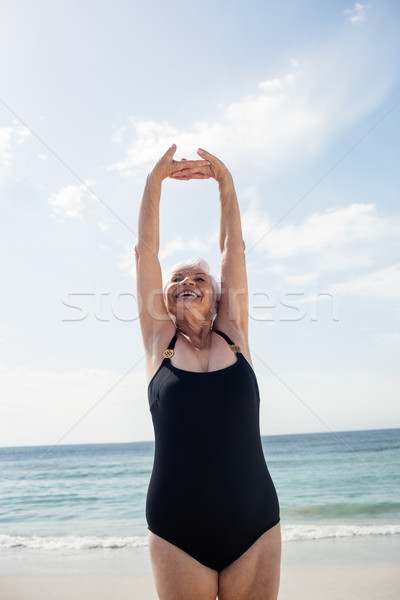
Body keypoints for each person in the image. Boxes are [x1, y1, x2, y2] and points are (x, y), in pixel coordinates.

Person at [135, 145, 281, 600]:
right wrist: (154, 183)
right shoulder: (161, 343)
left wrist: (226, 182)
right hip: (177, 530)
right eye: (177, 279)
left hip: (254, 523)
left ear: (219, 298)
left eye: (199, 278)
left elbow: (231, 247)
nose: (186, 283)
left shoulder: (234, 333)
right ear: (164, 299)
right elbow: (145, 252)